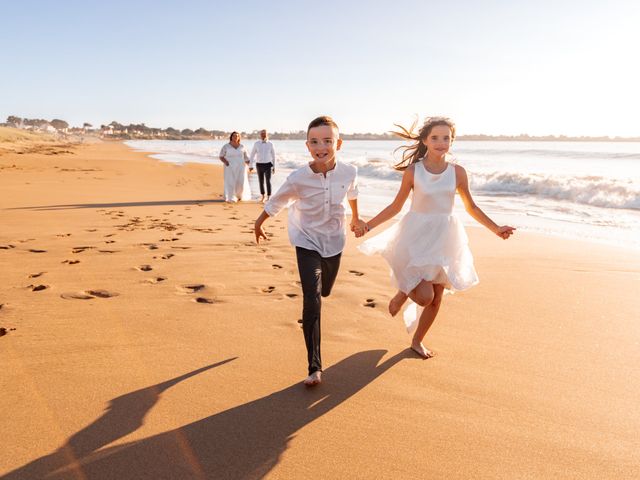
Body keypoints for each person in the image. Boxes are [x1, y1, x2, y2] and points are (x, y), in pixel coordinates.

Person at [355, 116, 515, 359]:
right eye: (435, 138)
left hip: (446, 237)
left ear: (452, 141)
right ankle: (403, 291)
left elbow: (471, 207)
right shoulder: (413, 171)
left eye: (446, 138)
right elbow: (396, 206)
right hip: (416, 235)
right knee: (424, 296)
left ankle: (417, 341)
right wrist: (368, 226)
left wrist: (495, 229)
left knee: (437, 298)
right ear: (425, 140)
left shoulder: (458, 173)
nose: (441, 142)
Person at [254, 116, 367, 386]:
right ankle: (314, 366)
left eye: (327, 141)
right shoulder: (298, 178)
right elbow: (277, 201)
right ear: (307, 146)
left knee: (325, 290)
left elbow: (352, 193)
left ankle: (316, 299)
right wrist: (258, 223)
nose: (321, 146)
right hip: (305, 240)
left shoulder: (349, 171)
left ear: (338, 143)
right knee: (312, 298)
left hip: (334, 240)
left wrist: (356, 218)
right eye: (315, 142)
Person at [219, 131, 251, 202]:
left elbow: (247, 158)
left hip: (241, 167)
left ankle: (239, 196)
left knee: (241, 182)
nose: (235, 137)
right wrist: (226, 162)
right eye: (234, 136)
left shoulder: (242, 146)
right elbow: (221, 156)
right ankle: (230, 196)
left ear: (239, 137)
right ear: (231, 137)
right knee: (230, 181)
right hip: (229, 167)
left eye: (237, 136)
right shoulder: (226, 146)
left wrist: (251, 166)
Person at [249, 129, 277, 203]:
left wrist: (274, 167)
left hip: (268, 165)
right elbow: (252, 155)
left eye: (265, 134)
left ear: (267, 135)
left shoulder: (270, 144)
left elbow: (274, 156)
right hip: (259, 165)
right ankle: (262, 196)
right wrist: (250, 166)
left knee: (268, 181)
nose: (263, 135)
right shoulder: (256, 144)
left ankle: (269, 196)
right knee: (261, 181)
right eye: (262, 134)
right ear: (260, 135)